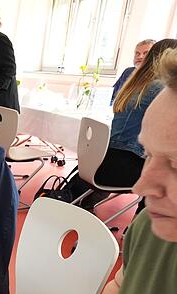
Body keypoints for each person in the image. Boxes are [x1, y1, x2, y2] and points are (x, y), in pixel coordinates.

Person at [59, 47, 177, 294]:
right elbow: (125, 282)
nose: (143, 185)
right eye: (148, 155)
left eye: (174, 165)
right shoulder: (152, 228)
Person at [68, 39, 177, 210]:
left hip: (102, 161)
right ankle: (142, 229)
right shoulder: (161, 89)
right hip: (122, 169)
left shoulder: (134, 84)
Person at [111, 39, 156, 103]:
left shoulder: (157, 78)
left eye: (146, 53)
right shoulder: (128, 72)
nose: (140, 57)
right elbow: (112, 95)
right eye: (137, 53)